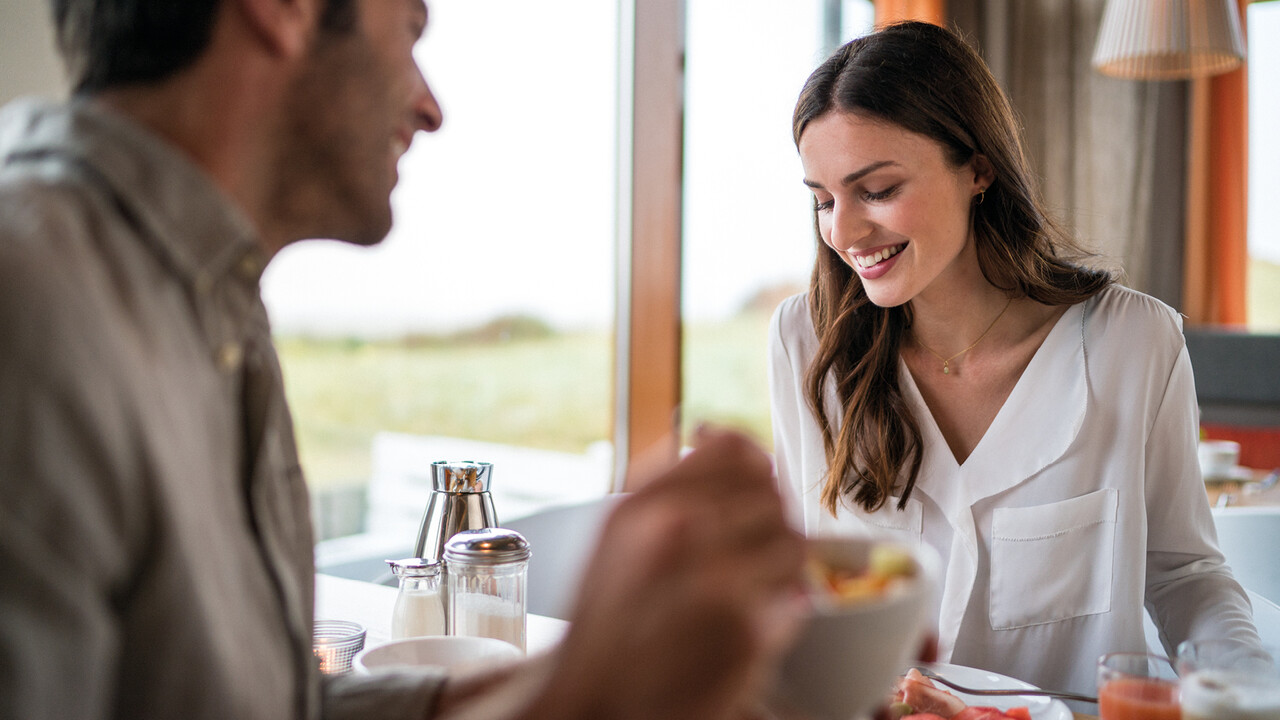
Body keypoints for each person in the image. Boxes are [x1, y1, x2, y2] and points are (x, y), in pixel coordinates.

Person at [0, 1, 807, 718]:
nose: (430, 106)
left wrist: (616, 661)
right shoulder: (28, 302)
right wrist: (580, 693)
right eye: (410, 30)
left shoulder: (212, 312)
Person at [768, 20, 1261, 698]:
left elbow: (1181, 574)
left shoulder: (1133, 343)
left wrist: (1245, 692)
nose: (844, 232)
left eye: (877, 190)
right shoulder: (804, 343)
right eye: (824, 200)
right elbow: (802, 578)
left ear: (977, 168)